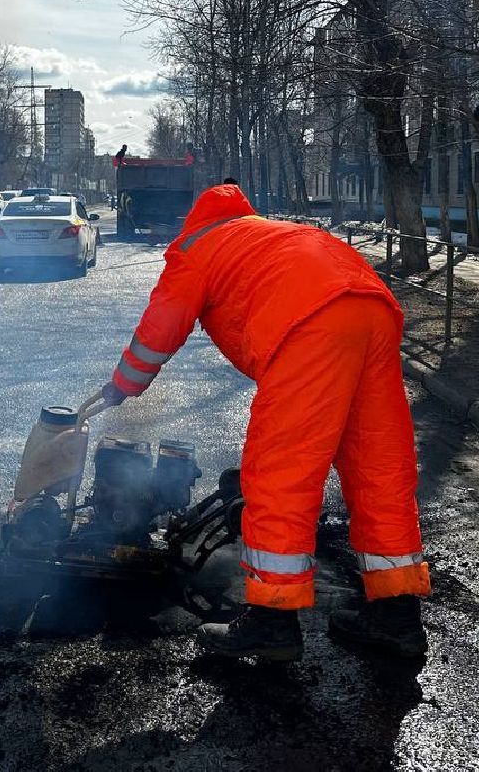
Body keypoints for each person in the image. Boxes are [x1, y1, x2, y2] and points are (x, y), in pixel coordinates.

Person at [98, 182, 430, 661]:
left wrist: (123, 385)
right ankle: (397, 616)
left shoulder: (196, 248)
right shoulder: (267, 233)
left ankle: (272, 622)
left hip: (310, 324)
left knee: (281, 474)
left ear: (194, 222)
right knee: (379, 468)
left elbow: (159, 330)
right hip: (373, 310)